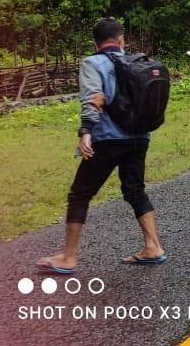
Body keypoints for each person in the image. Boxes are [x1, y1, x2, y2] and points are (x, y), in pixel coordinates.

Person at [38, 18, 166, 274]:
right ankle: (153, 247)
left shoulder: (92, 63)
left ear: (95, 43)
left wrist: (85, 131)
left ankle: (68, 257)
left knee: (80, 194)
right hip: (140, 137)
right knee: (134, 189)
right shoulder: (137, 63)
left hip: (107, 139)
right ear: (121, 40)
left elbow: (91, 99)